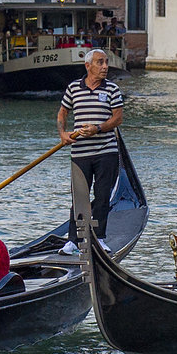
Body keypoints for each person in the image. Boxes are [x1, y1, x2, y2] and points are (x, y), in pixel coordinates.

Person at [58, 48, 125, 247]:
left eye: (106, 62)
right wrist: (63, 134)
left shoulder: (112, 89)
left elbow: (117, 118)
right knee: (80, 197)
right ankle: (73, 240)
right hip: (80, 152)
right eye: (100, 62)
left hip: (106, 151)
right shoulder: (73, 88)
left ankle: (99, 237)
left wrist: (97, 128)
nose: (105, 67)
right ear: (88, 66)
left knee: (103, 196)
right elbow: (63, 113)